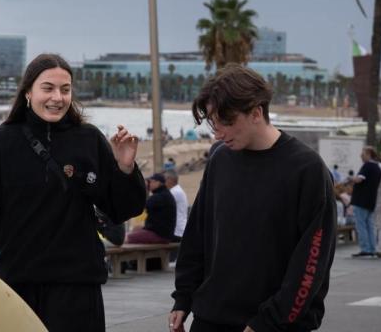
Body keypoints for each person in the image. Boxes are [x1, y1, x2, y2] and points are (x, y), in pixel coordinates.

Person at [0, 53, 146, 332]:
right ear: (28, 91)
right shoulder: (1, 142)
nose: (58, 97)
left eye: (65, 90)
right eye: (48, 88)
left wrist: (125, 168)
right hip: (20, 283)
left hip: (78, 285)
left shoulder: (88, 139)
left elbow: (121, 208)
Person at [170, 65, 336, 332]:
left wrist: (269, 321)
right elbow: (197, 234)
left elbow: (311, 263)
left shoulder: (307, 169)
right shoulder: (220, 159)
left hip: (276, 324)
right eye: (213, 122)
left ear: (256, 112)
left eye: (227, 121)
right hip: (210, 319)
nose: (218, 132)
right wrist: (183, 298)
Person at [126, 173, 176, 245]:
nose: (149, 184)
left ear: (158, 183)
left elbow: (141, 206)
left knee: (126, 237)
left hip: (159, 234)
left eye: (151, 181)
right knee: (135, 230)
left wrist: (143, 189)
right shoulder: (164, 194)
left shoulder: (160, 196)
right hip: (162, 233)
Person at [349, 147, 381, 258]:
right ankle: (372, 248)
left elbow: (359, 179)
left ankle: (365, 248)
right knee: (370, 225)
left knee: (361, 225)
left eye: (362, 153)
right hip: (371, 201)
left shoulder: (367, 166)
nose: (361, 156)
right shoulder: (377, 168)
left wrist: (351, 178)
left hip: (361, 201)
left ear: (368, 154)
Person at [164, 169, 188, 241]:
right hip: (178, 230)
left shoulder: (174, 192)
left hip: (177, 231)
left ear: (170, 180)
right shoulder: (177, 191)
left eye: (164, 179)